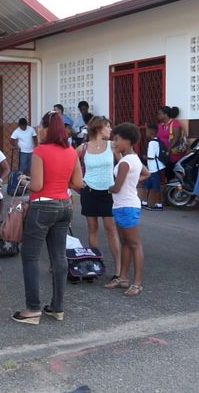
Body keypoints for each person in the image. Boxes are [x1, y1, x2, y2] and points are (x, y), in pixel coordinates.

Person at [11, 112, 83, 325]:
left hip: (42, 205)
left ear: (47, 129)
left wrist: (25, 180)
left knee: (31, 256)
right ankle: (57, 307)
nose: (38, 130)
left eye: (40, 126)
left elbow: (37, 186)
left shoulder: (40, 151)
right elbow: (77, 182)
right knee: (58, 256)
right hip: (64, 205)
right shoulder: (71, 151)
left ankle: (33, 309)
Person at [105, 123, 150, 296]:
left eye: (117, 139)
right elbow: (147, 174)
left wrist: (107, 188)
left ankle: (137, 283)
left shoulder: (125, 162)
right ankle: (123, 278)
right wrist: (132, 182)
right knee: (126, 243)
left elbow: (116, 188)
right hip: (124, 205)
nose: (114, 142)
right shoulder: (134, 158)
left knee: (134, 244)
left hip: (126, 206)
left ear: (128, 140)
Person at [76, 116, 122, 280]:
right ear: (97, 128)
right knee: (92, 228)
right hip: (89, 191)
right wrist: (77, 181)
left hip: (108, 192)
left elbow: (124, 166)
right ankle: (94, 265)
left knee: (111, 229)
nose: (110, 130)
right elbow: (70, 162)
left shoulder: (112, 146)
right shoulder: (83, 147)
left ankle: (118, 270)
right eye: (107, 127)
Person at [139, 124, 165, 211]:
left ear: (151, 132)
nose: (146, 133)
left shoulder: (151, 143)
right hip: (154, 168)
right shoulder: (158, 141)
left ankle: (159, 204)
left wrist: (144, 157)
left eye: (146, 131)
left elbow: (150, 156)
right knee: (147, 184)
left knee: (156, 186)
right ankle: (144, 202)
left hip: (154, 168)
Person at [156, 106, 184, 178]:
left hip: (173, 153)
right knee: (166, 173)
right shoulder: (160, 125)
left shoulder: (174, 123)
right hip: (164, 154)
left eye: (159, 114)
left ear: (165, 114)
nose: (158, 116)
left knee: (171, 173)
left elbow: (176, 137)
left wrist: (168, 149)